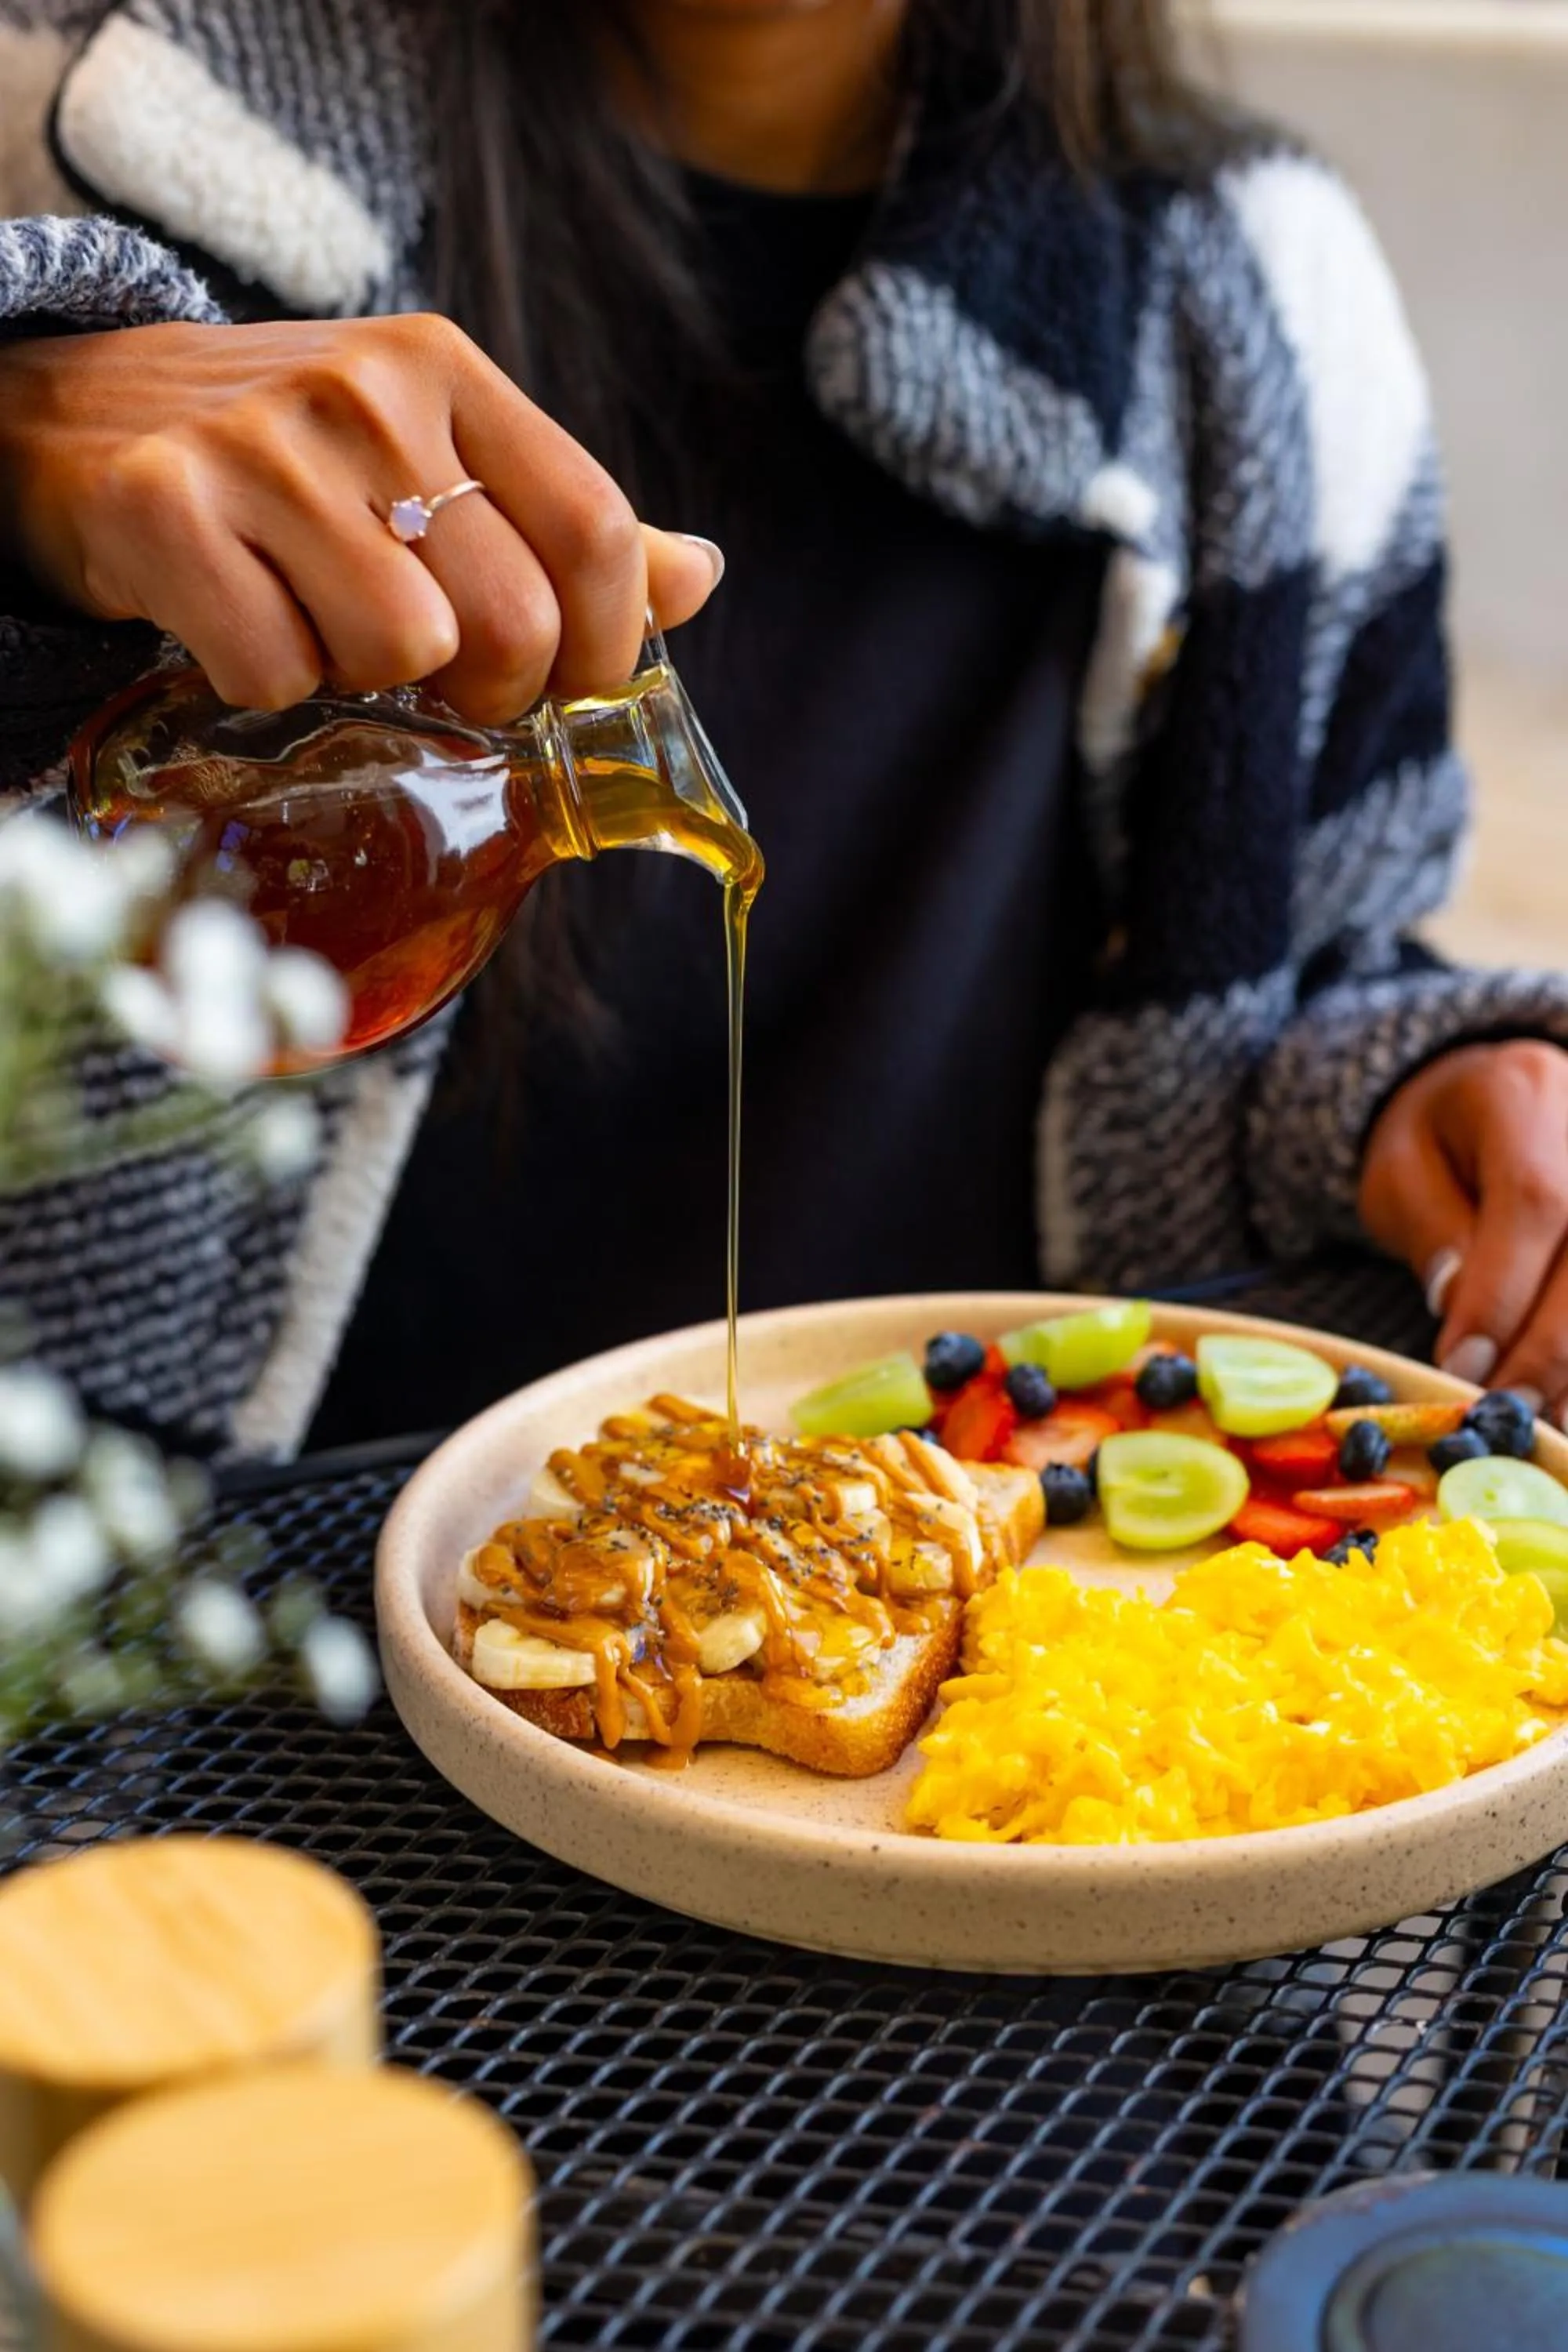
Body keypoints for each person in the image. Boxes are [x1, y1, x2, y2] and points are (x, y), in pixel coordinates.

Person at [1, 0, 1566, 1457]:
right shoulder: (99, 131)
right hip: (200, 1694)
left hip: (976, 1653)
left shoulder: (1257, 305)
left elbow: (1293, 976)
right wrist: (22, 442)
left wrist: (1415, 1095)